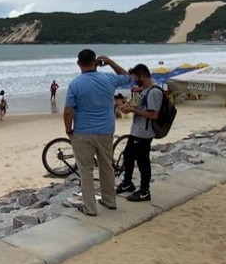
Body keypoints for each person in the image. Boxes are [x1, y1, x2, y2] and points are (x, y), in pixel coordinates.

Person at [63, 49, 132, 216]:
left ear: (79, 63)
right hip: (105, 131)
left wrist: (68, 129)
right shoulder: (108, 79)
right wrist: (110, 62)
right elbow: (128, 77)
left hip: (83, 132)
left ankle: (90, 207)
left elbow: (68, 111)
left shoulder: (75, 84)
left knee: (85, 170)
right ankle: (109, 200)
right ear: (96, 62)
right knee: (106, 166)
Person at [117, 64, 163, 202]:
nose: (135, 81)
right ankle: (127, 183)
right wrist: (129, 106)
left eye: (136, 78)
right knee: (128, 155)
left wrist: (133, 111)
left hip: (144, 133)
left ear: (143, 76)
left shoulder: (154, 92)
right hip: (137, 130)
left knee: (143, 161)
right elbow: (141, 105)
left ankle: (144, 191)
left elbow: (154, 115)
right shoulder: (145, 89)